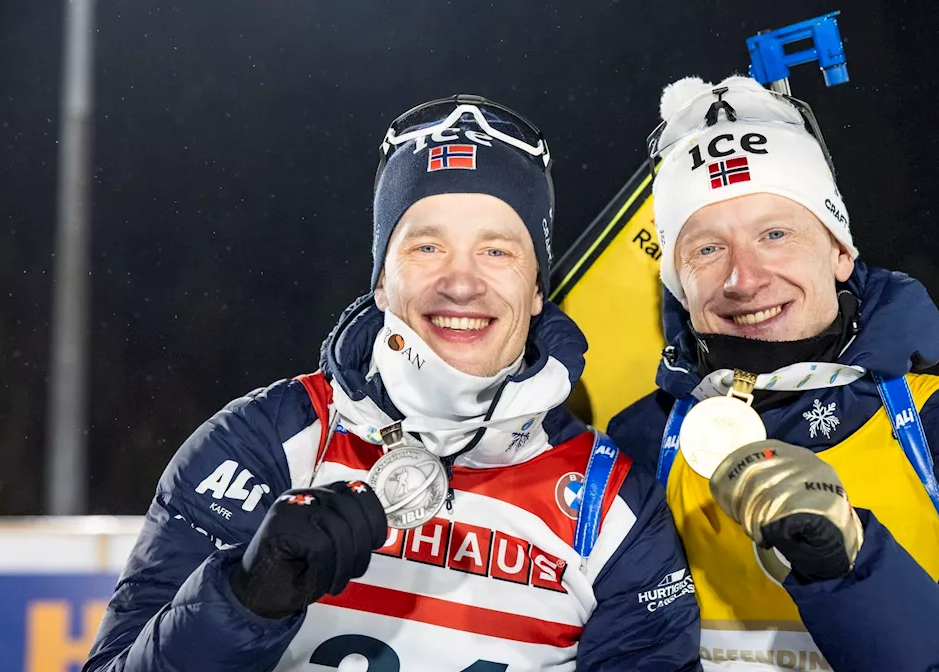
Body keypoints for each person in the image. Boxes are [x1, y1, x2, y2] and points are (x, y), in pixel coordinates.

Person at [84, 95, 700, 671]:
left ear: (537, 289)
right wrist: (244, 599)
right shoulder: (265, 442)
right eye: (427, 247)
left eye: (496, 252)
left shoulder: (612, 504)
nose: (461, 283)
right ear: (380, 280)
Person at [607, 75, 939, 671]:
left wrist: (851, 567)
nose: (744, 278)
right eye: (707, 249)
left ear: (840, 250)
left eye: (775, 234)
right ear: (680, 286)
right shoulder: (637, 443)